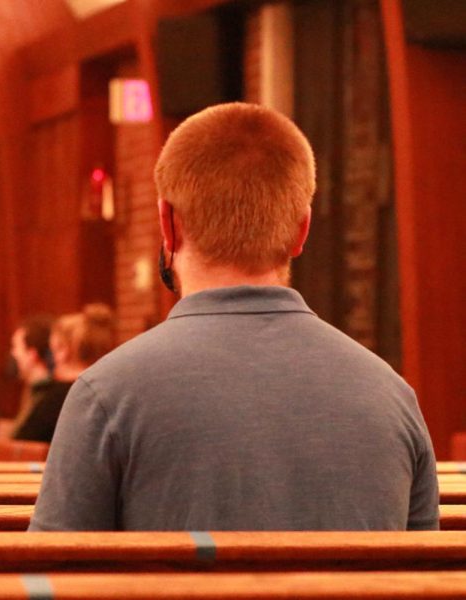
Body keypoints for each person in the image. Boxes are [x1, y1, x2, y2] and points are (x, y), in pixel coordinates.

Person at [30, 102, 438, 531]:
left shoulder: (106, 395)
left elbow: (50, 576)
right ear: (302, 231)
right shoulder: (392, 397)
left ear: (168, 223)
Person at [12, 304, 115, 442]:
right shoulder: (113, 393)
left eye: (52, 349)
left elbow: (20, 445)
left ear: (62, 351)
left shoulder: (53, 401)